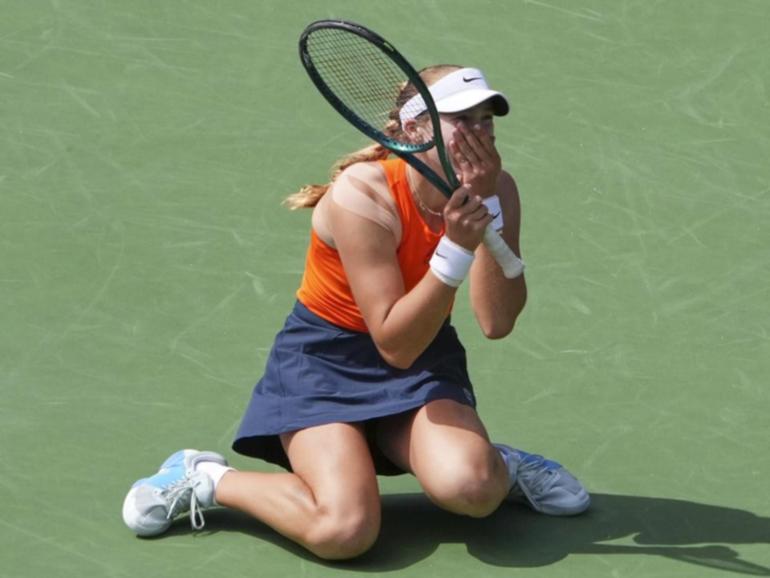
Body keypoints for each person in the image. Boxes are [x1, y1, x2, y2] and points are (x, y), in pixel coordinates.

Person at [122, 64, 590, 560]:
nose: (480, 133)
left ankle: (502, 466)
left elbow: (496, 323)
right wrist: (455, 248)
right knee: (344, 531)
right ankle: (206, 478)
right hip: (325, 362)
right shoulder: (363, 195)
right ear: (415, 130)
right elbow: (393, 341)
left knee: (472, 488)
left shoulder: (497, 190)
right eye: (462, 119)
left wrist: (489, 210)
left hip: (423, 355)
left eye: (486, 119)